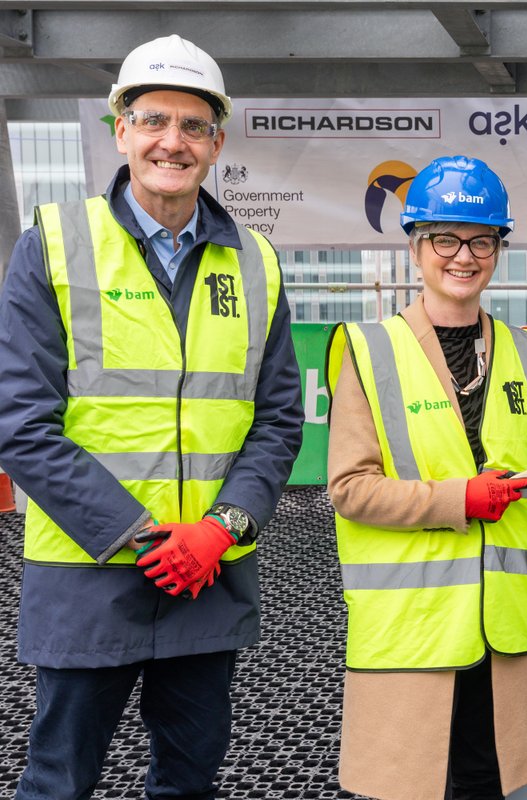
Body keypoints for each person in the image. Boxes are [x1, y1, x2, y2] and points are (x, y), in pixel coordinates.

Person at [0, 34, 303, 799]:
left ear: (216, 143)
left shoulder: (257, 263)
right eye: (155, 119)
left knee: (189, 781)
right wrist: (141, 538)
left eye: (194, 126)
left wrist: (220, 530)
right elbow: (21, 421)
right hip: (88, 575)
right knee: (59, 782)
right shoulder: (55, 245)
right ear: (121, 129)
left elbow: (276, 422)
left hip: (209, 577)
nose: (174, 140)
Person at [325, 155, 527, 800]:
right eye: (445, 238)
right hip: (417, 624)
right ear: (415, 246)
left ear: (499, 249)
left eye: (482, 240)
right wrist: (458, 498)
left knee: (485, 782)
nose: (463, 255)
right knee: (416, 785)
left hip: (504, 624)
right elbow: (350, 490)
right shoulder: (367, 349)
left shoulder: (523, 351)